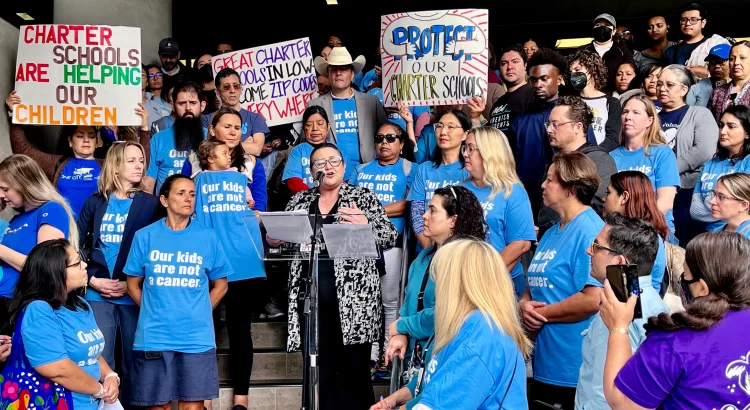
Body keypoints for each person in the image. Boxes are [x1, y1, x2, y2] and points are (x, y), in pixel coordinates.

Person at [274, 143, 397, 410]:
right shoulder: (300, 201)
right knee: (319, 374)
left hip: (355, 305)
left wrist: (365, 225)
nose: (327, 166)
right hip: (312, 301)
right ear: (311, 171)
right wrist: (274, 237)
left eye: (333, 161)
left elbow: (389, 236)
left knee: (353, 374)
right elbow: (283, 244)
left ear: (343, 167)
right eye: (320, 163)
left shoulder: (362, 197)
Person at [601, 231, 750, 409]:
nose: (682, 283)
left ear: (702, 288)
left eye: (684, 276)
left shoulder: (675, 341)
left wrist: (618, 327)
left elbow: (622, 403)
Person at [377, 239, 532, 410]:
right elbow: (432, 379)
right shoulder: (464, 322)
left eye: (441, 275)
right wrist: (395, 399)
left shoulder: (480, 336)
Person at [124, 174, 232, 410]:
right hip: (154, 336)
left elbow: (221, 285)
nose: (188, 199)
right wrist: (153, 309)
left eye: (192, 194)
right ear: (164, 200)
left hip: (196, 338)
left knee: (192, 406)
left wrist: (202, 311)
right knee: (156, 405)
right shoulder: (145, 237)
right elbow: (132, 284)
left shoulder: (208, 236)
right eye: (181, 193)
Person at [77, 141, 160, 407]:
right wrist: (90, 278)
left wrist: (131, 283)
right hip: (96, 292)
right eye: (132, 161)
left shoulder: (151, 204)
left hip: (133, 293)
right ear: (115, 165)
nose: (139, 166)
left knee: (135, 359)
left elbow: (157, 248)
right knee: (100, 359)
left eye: (141, 160)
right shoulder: (95, 202)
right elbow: (76, 244)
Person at [521, 152, 603, 409]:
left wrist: (541, 315)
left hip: (573, 367)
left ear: (570, 188)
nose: (543, 185)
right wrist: (524, 306)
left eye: (550, 180)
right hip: (546, 361)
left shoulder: (590, 229)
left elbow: (593, 298)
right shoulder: (551, 232)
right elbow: (533, 283)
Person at [384, 185, 487, 384]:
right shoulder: (422, 257)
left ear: (453, 220)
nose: (424, 215)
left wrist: (403, 326)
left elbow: (448, 312)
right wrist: (401, 335)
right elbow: (407, 306)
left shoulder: (465, 260)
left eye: (432, 210)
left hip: (446, 363)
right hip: (414, 364)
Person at [192, 139, 266, 410]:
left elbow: (252, 205)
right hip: (208, 261)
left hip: (242, 258)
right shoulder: (198, 181)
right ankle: (204, 396)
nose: (229, 156)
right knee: (204, 331)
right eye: (224, 153)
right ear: (209, 157)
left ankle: (241, 399)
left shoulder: (239, 177)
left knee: (240, 330)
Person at [7, 239, 119, 410]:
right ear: (54, 272)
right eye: (76, 263)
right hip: (58, 403)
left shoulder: (81, 304)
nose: (84, 265)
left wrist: (110, 376)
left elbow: (91, 351)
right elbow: (56, 368)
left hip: (94, 404)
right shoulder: (39, 310)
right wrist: (98, 389)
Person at [575, 213, 668, 410]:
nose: (588, 251)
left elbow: (604, 397)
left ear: (619, 262)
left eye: (596, 246)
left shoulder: (619, 307)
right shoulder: (650, 300)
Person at [352, 122, 414, 368]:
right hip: (360, 245)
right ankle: (370, 355)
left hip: (392, 245)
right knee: (365, 301)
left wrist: (372, 213)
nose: (384, 143)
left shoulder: (411, 168)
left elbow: (408, 204)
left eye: (391, 138)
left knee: (390, 303)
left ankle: (388, 355)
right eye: (379, 138)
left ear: (401, 143)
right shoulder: (361, 169)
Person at [0, 155, 78, 326]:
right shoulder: (16, 220)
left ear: (23, 183)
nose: (1, 194)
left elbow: (45, 268)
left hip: (21, 304)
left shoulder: (51, 209)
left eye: (5, 189)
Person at [461, 127, 535, 298]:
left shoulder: (513, 192)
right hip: (463, 280)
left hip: (501, 283)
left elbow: (521, 244)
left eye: (471, 148)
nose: (465, 153)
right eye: (465, 147)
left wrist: (484, 278)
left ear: (489, 152)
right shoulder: (459, 190)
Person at [408, 110, 471, 250]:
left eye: (451, 127)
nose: (443, 132)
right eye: (440, 126)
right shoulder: (424, 169)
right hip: (427, 247)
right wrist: (428, 247)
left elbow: (471, 214)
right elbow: (417, 212)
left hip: (459, 249)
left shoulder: (469, 171)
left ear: (465, 134)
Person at [603, 171, 671, 292]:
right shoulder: (642, 234)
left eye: (608, 192)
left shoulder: (646, 240)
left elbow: (628, 292)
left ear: (624, 197)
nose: (604, 199)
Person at [691, 106, 750, 230]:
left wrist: (708, 200)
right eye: (721, 125)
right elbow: (695, 210)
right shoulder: (709, 164)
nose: (723, 131)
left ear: (747, 133)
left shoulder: (748, 162)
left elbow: (746, 208)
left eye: (731, 126)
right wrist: (729, 208)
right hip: (710, 237)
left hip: (741, 237)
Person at [708, 173, 750, 237]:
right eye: (714, 194)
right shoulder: (715, 233)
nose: (711, 201)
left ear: (743, 205)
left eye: (721, 197)